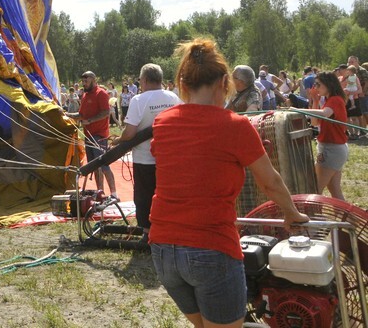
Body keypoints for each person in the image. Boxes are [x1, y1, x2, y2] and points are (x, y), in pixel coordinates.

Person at [149, 38, 309, 328]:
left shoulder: (162, 122)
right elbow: (270, 183)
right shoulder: (235, 125)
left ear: (183, 83)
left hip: (163, 249)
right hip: (211, 247)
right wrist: (292, 213)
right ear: (225, 82)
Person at [116, 63, 180, 238]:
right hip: (169, 158)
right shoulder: (173, 98)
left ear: (143, 80)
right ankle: (169, 228)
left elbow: (129, 133)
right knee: (168, 194)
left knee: (144, 196)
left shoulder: (139, 100)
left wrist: (118, 140)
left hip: (144, 158)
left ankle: (147, 231)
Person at [292, 71, 349, 200]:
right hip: (332, 148)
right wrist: (315, 100)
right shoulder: (329, 101)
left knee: (315, 189)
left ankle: (313, 212)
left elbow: (324, 114)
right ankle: (344, 214)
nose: (315, 87)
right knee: (335, 190)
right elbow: (314, 122)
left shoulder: (335, 100)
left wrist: (298, 110)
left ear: (328, 84)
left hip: (332, 150)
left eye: (318, 84)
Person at [74, 70, 118, 198]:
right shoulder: (85, 95)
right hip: (88, 136)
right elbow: (81, 114)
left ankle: (114, 194)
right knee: (94, 166)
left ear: (93, 80)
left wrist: (90, 120)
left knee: (103, 165)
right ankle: (100, 193)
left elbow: (105, 112)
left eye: (86, 81)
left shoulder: (101, 93)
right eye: (82, 81)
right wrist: (66, 114)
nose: (83, 83)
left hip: (99, 136)